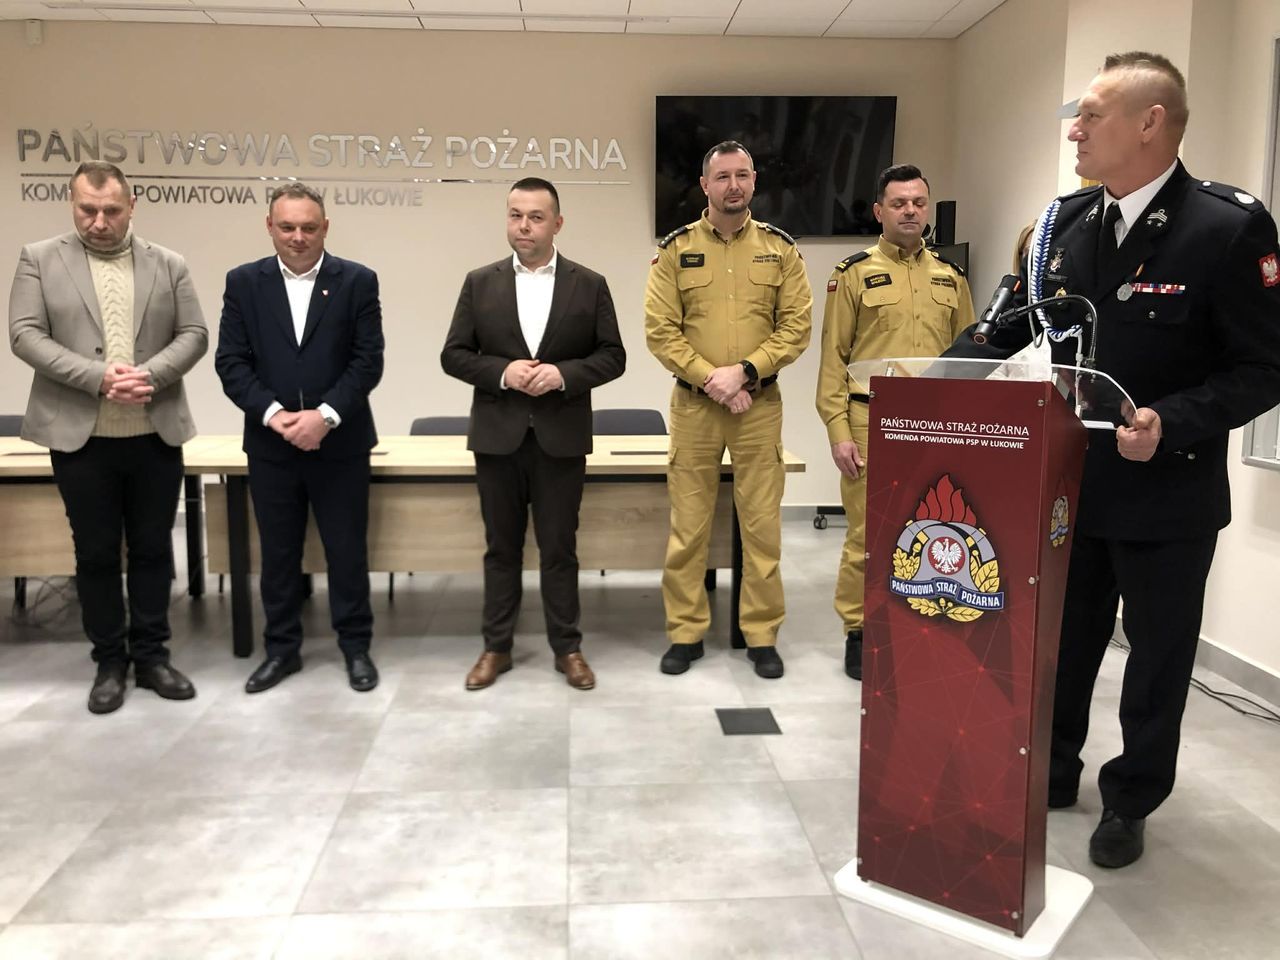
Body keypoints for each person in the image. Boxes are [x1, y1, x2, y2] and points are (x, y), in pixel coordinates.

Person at [947, 52, 1280, 868]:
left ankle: (1131, 799)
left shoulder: (1226, 228)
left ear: (1150, 123)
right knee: (1062, 644)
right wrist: (924, 386)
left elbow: (1263, 368)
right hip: (1073, 487)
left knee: (1157, 661)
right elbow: (1008, 330)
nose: (1076, 131)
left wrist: (1171, 419)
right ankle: (1054, 772)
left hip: (1168, 491)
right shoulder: (1063, 225)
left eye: (1092, 115)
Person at [8, 161, 207, 714]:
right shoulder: (39, 259)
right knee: (95, 554)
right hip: (81, 437)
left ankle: (152, 657)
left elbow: (194, 333)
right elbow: (24, 335)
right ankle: (109, 663)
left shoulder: (169, 263)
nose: (99, 222)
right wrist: (98, 378)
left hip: (154, 430)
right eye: (88, 210)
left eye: (111, 211)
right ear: (72, 204)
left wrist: (150, 375)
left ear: (131, 206)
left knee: (153, 550)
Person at [442, 177, 625, 691]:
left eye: (536, 217)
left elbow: (613, 356)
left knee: (559, 550)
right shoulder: (480, 282)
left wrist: (563, 375)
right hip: (497, 438)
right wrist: (503, 372)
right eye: (515, 215)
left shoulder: (589, 284)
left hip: (560, 438)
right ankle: (496, 648)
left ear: (557, 224)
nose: (524, 226)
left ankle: (568, 648)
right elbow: (454, 355)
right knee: (500, 550)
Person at [644, 140, 812, 679]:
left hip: (758, 405)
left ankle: (761, 635)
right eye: (722, 176)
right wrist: (712, 380)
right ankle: (685, 632)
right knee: (689, 527)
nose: (733, 185)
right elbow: (660, 331)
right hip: (694, 407)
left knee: (762, 526)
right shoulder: (675, 250)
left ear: (754, 181)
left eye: (742, 175)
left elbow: (796, 327)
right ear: (705, 185)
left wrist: (744, 372)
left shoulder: (780, 250)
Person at [215, 183, 385, 694]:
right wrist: (276, 416)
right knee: (279, 555)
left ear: (325, 227)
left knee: (347, 553)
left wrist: (324, 417)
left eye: (309, 227)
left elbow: (367, 361)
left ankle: (355, 648)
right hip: (272, 446)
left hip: (341, 444)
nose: (297, 237)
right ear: (269, 226)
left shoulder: (356, 281)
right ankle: (281, 651)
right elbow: (231, 362)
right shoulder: (244, 283)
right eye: (287, 226)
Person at [815, 164, 975, 681]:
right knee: (869, 532)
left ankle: (920, 621)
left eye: (918, 203)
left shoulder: (951, 278)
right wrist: (838, 431)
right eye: (899, 203)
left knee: (935, 525)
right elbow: (833, 360)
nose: (910, 211)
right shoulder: (854, 274)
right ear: (879, 211)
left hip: (935, 423)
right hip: (871, 419)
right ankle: (859, 630)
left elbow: (970, 359)